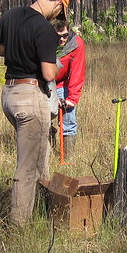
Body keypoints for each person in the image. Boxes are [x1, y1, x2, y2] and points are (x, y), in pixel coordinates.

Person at [0, 0, 68, 224]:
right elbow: (49, 74)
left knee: (41, 153)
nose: (57, 17)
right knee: (27, 167)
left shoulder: (11, 15)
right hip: (31, 97)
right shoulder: (45, 30)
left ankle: (44, 208)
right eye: (60, 12)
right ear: (57, 3)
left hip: (9, 94)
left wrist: (15, 53)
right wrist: (41, 55)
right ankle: (19, 225)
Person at [53, 19, 86, 158]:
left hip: (63, 83)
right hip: (44, 83)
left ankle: (68, 159)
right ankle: (46, 155)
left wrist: (71, 99)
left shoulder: (76, 44)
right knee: (43, 120)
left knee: (69, 121)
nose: (62, 39)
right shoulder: (42, 40)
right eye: (58, 36)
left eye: (65, 35)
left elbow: (77, 72)